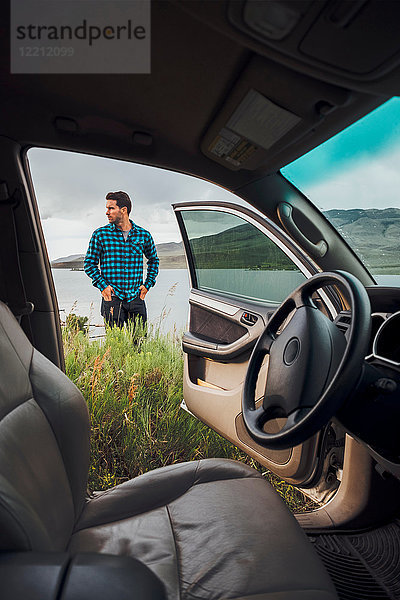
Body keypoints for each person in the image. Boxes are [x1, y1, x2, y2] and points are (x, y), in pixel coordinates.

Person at [84, 190, 159, 330]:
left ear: (123, 210)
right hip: (112, 298)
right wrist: (103, 286)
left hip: (136, 298)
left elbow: (153, 260)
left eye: (111, 208)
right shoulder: (100, 235)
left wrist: (147, 285)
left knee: (139, 345)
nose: (107, 212)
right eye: (107, 208)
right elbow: (89, 264)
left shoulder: (143, 235)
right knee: (115, 345)